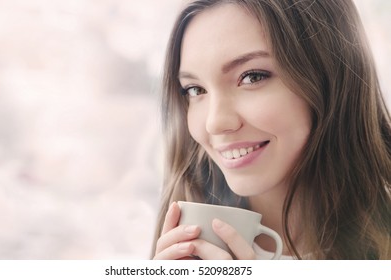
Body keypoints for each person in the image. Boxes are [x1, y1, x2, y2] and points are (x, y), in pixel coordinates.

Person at [151, 0, 391, 260]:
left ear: (329, 75)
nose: (214, 123)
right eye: (195, 90)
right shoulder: (186, 244)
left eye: (252, 76)